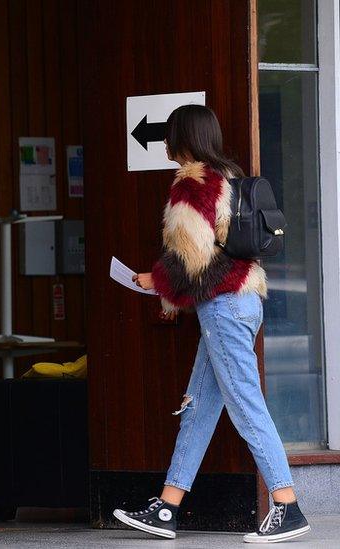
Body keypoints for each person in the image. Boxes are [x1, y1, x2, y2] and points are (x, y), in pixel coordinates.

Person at [112, 105, 310, 543]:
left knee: (246, 405)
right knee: (199, 408)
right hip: (242, 301)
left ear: (181, 137)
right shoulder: (227, 177)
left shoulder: (192, 183)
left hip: (223, 308)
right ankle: (167, 507)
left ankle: (288, 506)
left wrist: (155, 281)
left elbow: (191, 257)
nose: (164, 140)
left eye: (168, 133)